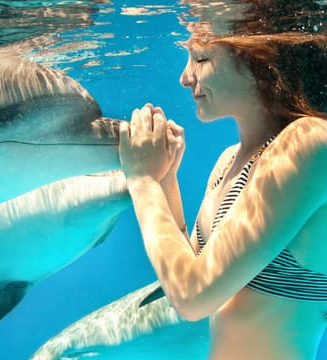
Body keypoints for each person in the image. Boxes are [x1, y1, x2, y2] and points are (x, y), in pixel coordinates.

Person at [118, 2, 327, 359]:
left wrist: (142, 181)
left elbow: (193, 297)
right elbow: (190, 272)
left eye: (200, 59)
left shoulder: (309, 142)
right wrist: (165, 178)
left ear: (258, 59)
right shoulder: (229, 161)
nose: (185, 77)